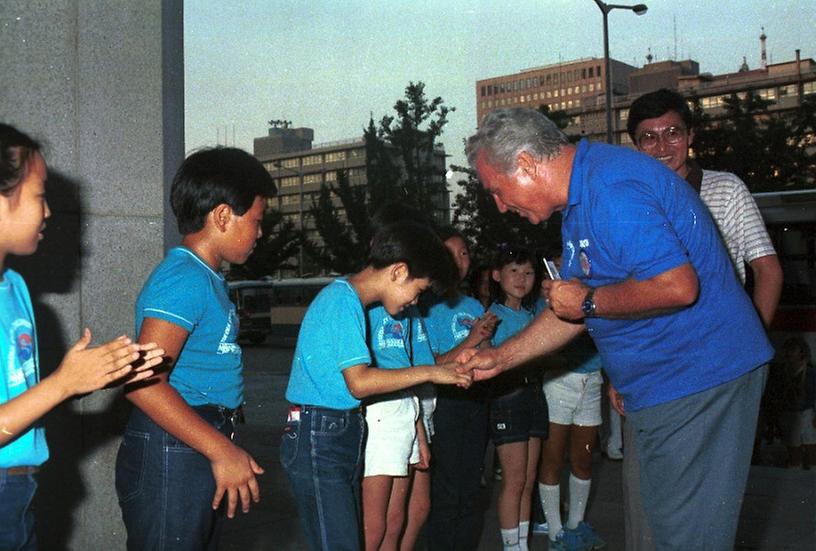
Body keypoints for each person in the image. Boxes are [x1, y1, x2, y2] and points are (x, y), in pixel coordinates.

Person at [461, 107, 773, 550]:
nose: (499, 203)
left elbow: (677, 286)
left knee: (684, 540)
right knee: (659, 535)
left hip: (698, 380)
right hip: (661, 388)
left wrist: (589, 299)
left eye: (497, 189)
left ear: (527, 164)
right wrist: (500, 357)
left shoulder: (610, 188)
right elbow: (570, 312)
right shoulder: (582, 199)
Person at [613, 88, 785, 550]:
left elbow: (766, 269)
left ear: (690, 136)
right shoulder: (629, 201)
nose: (662, 146)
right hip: (651, 367)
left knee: (708, 508)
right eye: (648, 137)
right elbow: (623, 295)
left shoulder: (724, 189)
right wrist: (617, 369)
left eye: (672, 133)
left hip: (717, 365)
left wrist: (751, 348)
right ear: (635, 145)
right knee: (644, 501)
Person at [0, 123, 164, 550]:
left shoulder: (13, 287)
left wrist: (89, 379)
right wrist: (64, 382)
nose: (50, 212)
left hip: (19, 491)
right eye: (39, 197)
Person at [115, 147, 273, 550]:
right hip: (175, 445)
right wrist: (221, 449)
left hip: (193, 437)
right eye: (256, 221)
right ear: (222, 216)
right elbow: (142, 383)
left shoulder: (207, 279)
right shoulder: (184, 277)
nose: (260, 233)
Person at [281, 220, 471, 551]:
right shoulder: (343, 301)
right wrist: (429, 372)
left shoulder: (351, 302)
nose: (415, 301)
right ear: (398, 272)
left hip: (336, 430)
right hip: (318, 434)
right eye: (419, 290)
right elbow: (360, 382)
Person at [422, 227, 497, 551]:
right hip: (445, 405)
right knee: (447, 489)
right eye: (452, 254)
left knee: (471, 488)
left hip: (476, 403)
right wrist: (472, 340)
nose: (460, 260)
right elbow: (432, 363)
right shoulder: (425, 306)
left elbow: (489, 354)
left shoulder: (473, 306)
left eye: (464, 253)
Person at [534, 253, 606, 551]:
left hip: (592, 382)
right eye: (560, 261)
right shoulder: (548, 299)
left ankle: (576, 526)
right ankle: (555, 533)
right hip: (559, 382)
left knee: (583, 459)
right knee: (553, 457)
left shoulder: (592, 292)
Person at [486, 246, 547, 551]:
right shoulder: (492, 317)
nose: (522, 279)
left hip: (535, 395)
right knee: (513, 480)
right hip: (508, 399)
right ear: (497, 275)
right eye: (513, 271)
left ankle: (522, 544)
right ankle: (512, 547)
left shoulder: (535, 315)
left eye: (528, 272)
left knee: (528, 478)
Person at [778, 336, 816, 469]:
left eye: (793, 350)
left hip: (807, 413)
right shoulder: (783, 372)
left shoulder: (811, 373)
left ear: (802, 353)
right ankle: (796, 469)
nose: (789, 353)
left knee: (811, 444)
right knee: (793, 446)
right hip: (789, 413)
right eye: (787, 350)